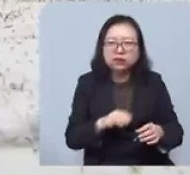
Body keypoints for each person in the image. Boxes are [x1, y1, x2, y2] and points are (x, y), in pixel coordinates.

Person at [65, 14, 183, 166]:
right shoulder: (87, 83)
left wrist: (161, 132)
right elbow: (72, 138)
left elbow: (176, 132)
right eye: (112, 43)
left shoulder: (154, 82)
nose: (119, 50)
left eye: (128, 43)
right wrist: (104, 122)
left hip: (147, 166)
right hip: (104, 167)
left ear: (139, 49)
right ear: (102, 48)